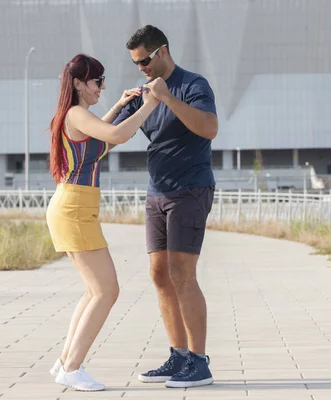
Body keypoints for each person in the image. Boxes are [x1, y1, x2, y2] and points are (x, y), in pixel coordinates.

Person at [45, 54, 159, 392]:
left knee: (96, 291)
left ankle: (66, 360)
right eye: (97, 82)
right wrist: (151, 103)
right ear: (79, 83)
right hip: (75, 210)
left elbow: (101, 140)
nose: (102, 88)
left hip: (76, 207)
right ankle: (72, 367)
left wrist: (122, 106)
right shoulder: (77, 113)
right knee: (107, 291)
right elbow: (118, 136)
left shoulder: (77, 116)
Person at [112, 25, 218, 388]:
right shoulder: (145, 96)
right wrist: (123, 106)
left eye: (144, 60)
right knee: (159, 274)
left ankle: (199, 362)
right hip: (157, 193)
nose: (140, 68)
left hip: (190, 190)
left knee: (181, 273)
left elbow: (209, 128)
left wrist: (168, 98)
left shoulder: (193, 84)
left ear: (163, 52)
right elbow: (108, 139)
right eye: (136, 63)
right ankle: (178, 355)